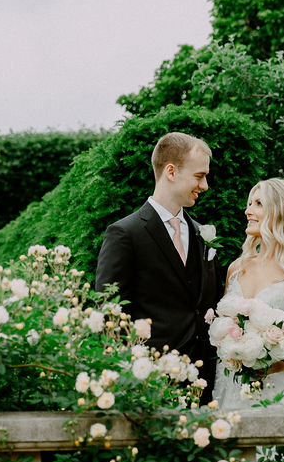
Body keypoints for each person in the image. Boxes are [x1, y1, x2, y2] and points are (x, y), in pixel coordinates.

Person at [95, 132, 221, 400]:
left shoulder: (202, 234)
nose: (205, 185)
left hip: (205, 384)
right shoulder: (124, 234)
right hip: (151, 386)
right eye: (199, 176)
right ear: (171, 172)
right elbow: (112, 316)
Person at [212, 178, 284, 409]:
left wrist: (265, 365)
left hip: (281, 390)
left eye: (258, 204)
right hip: (232, 386)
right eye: (249, 203)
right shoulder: (236, 268)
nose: (248, 211)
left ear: (280, 212)